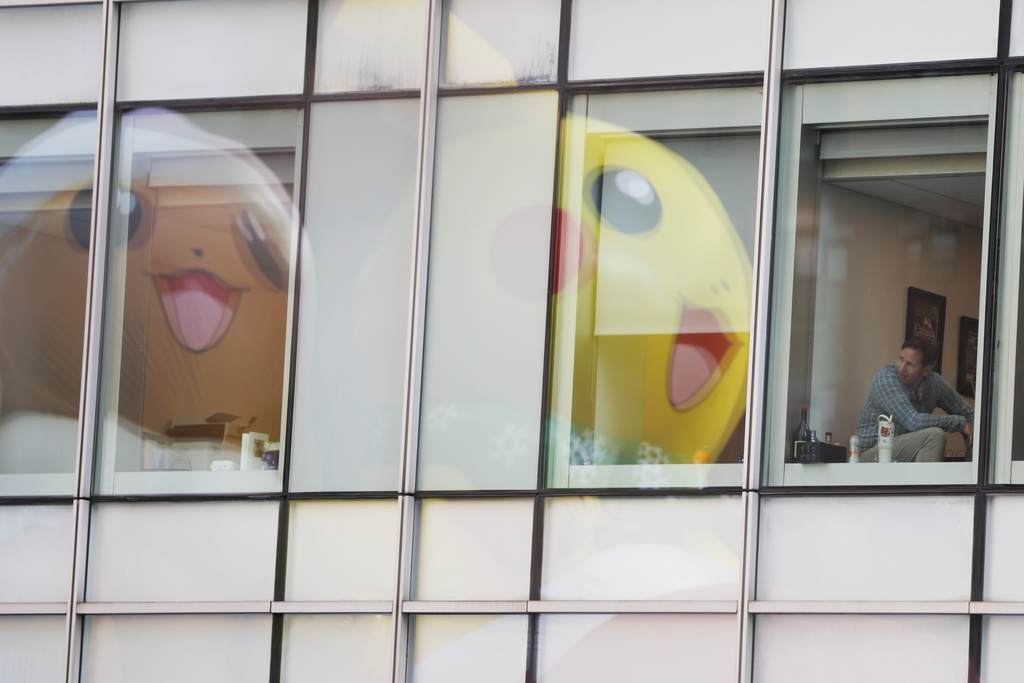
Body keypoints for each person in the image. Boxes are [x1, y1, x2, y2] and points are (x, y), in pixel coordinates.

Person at [854, 338, 973, 462]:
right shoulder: (886, 379)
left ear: (926, 370)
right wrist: (958, 422)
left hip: (901, 457)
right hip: (869, 457)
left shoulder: (935, 383)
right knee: (934, 436)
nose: (901, 368)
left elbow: (968, 414)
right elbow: (913, 421)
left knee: (934, 437)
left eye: (910, 364)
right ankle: (922, 481)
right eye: (901, 359)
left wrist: (972, 465)